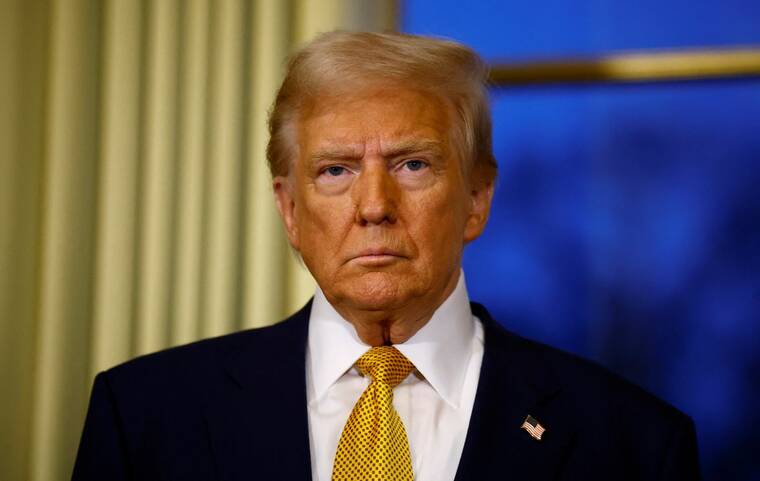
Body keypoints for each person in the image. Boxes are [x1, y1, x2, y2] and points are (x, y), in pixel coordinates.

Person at [72, 31, 700, 481]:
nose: (374, 205)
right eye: (336, 170)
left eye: (413, 164)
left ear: (477, 199)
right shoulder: (144, 417)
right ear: (290, 209)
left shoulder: (633, 443)